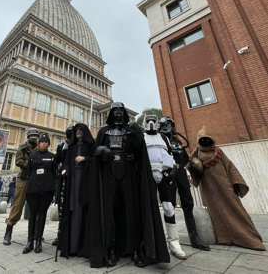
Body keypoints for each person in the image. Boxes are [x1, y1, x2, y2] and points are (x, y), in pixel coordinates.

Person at [88, 102, 170, 268]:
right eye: (115, 110)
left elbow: (141, 151)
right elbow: (94, 151)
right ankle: (111, 250)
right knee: (110, 210)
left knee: (131, 209)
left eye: (121, 110)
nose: (118, 113)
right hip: (109, 173)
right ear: (110, 113)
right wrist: (103, 148)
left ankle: (134, 250)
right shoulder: (104, 131)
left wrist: (138, 132)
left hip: (129, 172)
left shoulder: (132, 130)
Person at [187, 126, 266, 251]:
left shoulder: (218, 151)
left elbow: (230, 167)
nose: (205, 142)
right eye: (203, 139)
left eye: (207, 139)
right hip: (209, 187)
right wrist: (194, 169)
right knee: (216, 211)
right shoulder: (197, 151)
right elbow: (190, 164)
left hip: (224, 185)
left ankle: (249, 238)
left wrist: (236, 183)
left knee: (235, 209)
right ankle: (224, 238)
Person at [158, 117, 210, 251]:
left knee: (188, 203)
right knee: (169, 206)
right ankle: (172, 239)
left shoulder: (177, 141)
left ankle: (194, 238)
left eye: (170, 124)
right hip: (168, 175)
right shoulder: (158, 141)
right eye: (165, 124)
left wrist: (186, 166)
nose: (168, 127)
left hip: (180, 175)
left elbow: (185, 158)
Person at [143, 115, 186, 260]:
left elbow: (170, 154)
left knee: (168, 206)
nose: (150, 123)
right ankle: (150, 242)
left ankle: (174, 242)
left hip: (164, 173)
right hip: (148, 174)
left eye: (153, 121)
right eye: (148, 120)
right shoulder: (142, 137)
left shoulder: (164, 138)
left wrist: (172, 170)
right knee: (148, 207)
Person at [58, 123, 95, 257]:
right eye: (76, 130)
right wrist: (64, 169)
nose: (78, 131)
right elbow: (67, 162)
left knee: (83, 210)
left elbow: (96, 160)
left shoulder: (90, 145)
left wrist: (86, 159)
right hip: (73, 181)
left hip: (85, 180)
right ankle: (71, 246)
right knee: (72, 210)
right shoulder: (71, 146)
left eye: (81, 129)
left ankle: (82, 247)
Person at [3, 128, 41, 246]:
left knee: (36, 205)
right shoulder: (22, 147)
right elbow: (18, 161)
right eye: (31, 135)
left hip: (36, 179)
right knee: (17, 204)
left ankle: (35, 232)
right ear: (28, 136)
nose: (33, 137)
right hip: (24, 178)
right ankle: (8, 232)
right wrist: (31, 163)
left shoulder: (40, 148)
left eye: (35, 135)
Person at [23, 133, 56, 254]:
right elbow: (29, 171)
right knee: (32, 212)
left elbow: (54, 172)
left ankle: (38, 241)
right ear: (39, 143)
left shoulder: (52, 156)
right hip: (34, 186)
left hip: (47, 187)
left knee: (42, 213)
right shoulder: (32, 156)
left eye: (46, 142)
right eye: (42, 142)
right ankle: (30, 241)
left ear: (48, 144)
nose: (44, 143)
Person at [51, 124, 74, 246]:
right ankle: (60, 235)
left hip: (74, 178)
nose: (70, 133)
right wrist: (57, 174)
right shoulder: (61, 145)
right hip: (63, 178)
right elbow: (57, 160)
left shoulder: (77, 144)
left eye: (72, 131)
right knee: (61, 207)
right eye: (68, 131)